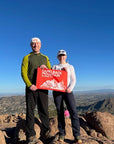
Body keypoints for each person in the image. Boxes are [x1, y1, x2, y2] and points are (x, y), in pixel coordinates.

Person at [21, 37, 51, 144]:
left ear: (40, 45)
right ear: (31, 45)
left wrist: (46, 69)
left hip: (43, 89)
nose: (35, 45)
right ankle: (30, 135)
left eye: (37, 43)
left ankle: (47, 133)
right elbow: (23, 73)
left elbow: (50, 73)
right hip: (31, 89)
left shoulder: (45, 58)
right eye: (33, 44)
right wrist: (29, 85)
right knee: (30, 111)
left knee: (44, 110)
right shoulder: (27, 57)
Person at [52, 50, 82, 144]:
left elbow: (73, 79)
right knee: (60, 112)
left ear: (66, 56)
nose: (62, 57)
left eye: (63, 55)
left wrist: (70, 88)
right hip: (57, 91)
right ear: (57, 57)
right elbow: (52, 78)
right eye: (60, 55)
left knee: (73, 111)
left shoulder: (70, 66)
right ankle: (62, 134)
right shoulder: (54, 66)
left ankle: (77, 135)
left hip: (68, 91)